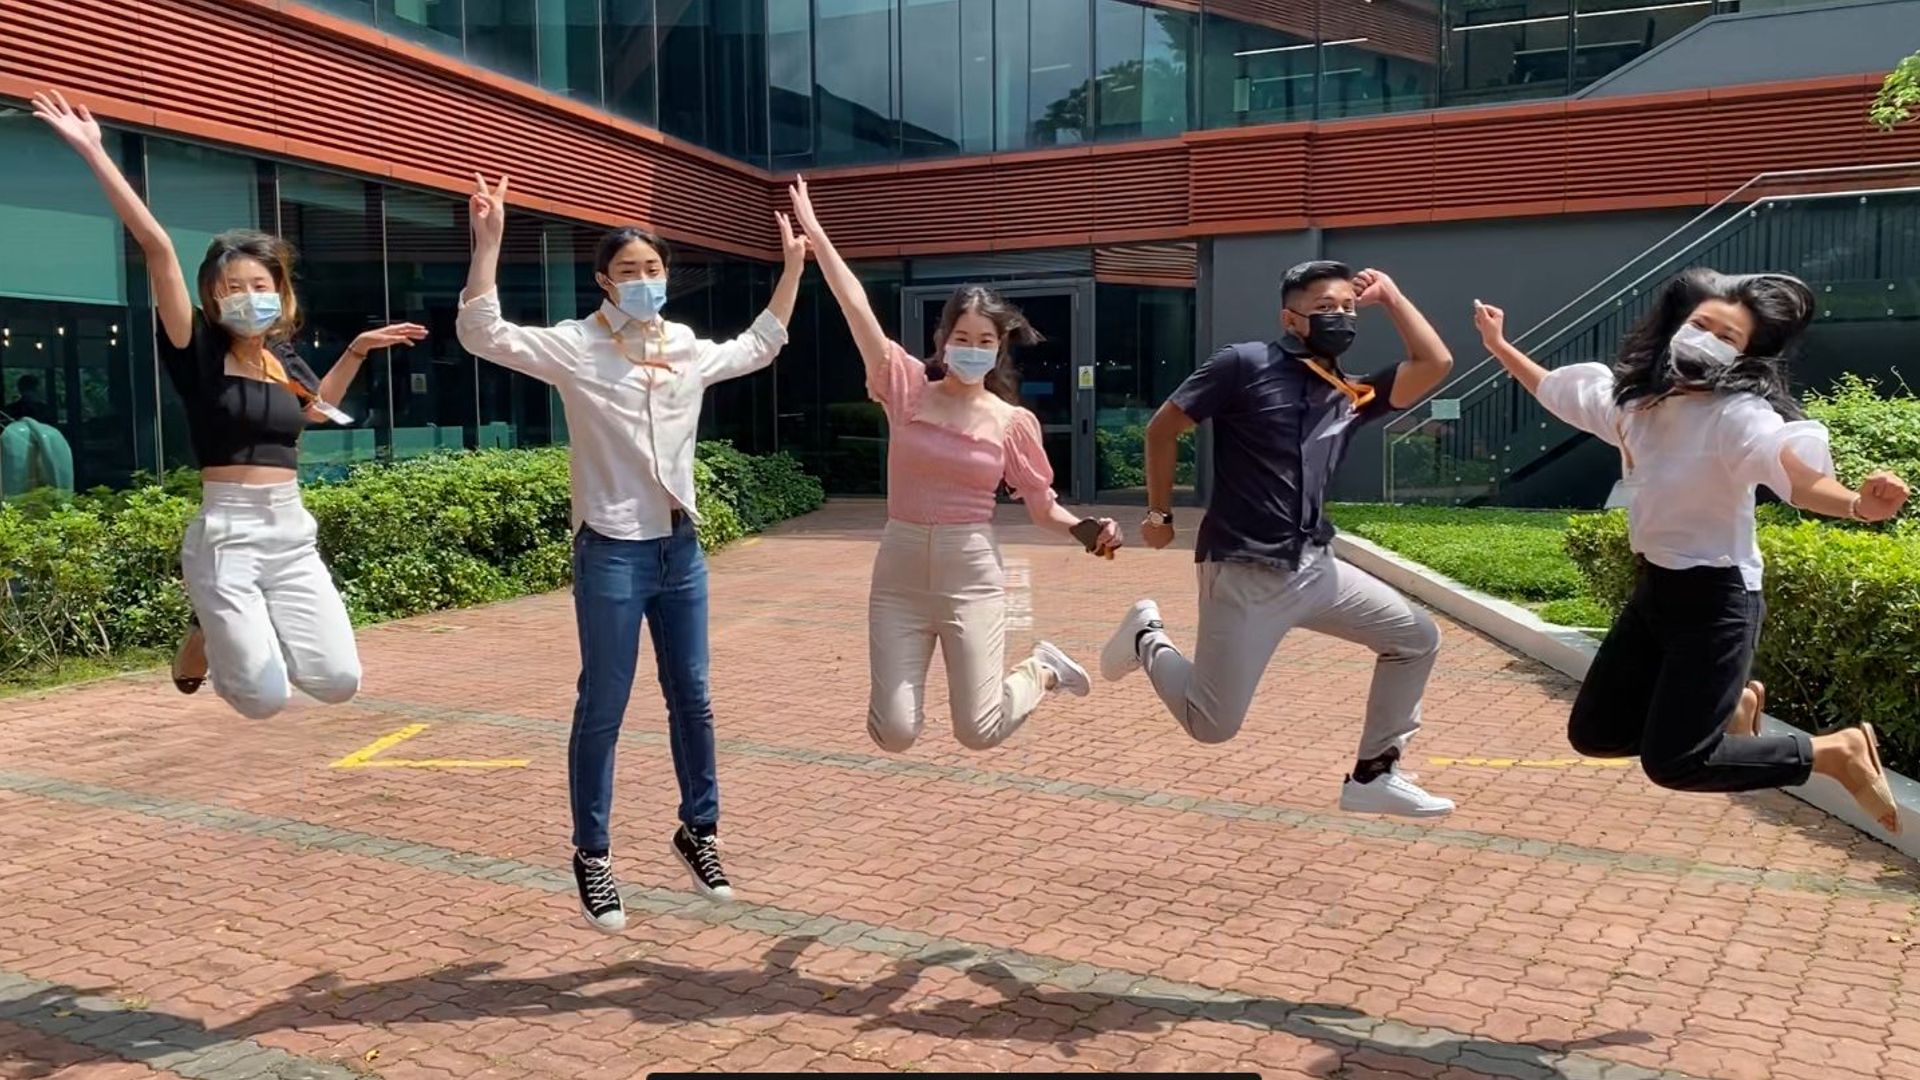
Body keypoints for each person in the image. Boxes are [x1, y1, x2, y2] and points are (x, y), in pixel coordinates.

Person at [455, 173, 808, 932]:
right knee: (604, 706)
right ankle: (592, 854)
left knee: (695, 698)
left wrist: (791, 274)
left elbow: (757, 347)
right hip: (611, 550)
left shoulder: (681, 347)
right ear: (602, 281)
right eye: (629, 271)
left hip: (679, 549)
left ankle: (699, 832)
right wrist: (488, 245)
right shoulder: (578, 347)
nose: (644, 280)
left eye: (654, 269)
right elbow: (485, 334)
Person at [1474, 270, 1909, 832]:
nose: (1705, 338)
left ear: (1747, 356)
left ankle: (1833, 752)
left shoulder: (1738, 416)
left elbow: (1795, 477)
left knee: (1678, 762)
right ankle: (1730, 709)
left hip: (1717, 602)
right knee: (1596, 734)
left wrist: (1859, 505)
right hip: (1655, 591)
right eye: (1701, 324)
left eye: (1727, 337)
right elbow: (1558, 391)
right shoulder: (1639, 404)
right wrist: (1500, 347)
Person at [34, 89, 422, 716]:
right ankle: (208, 633)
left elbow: (317, 413)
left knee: (339, 682)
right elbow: (157, 246)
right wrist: (95, 152)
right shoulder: (196, 349)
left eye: (260, 284)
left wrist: (354, 351)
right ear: (212, 297)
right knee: (263, 700)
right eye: (231, 286)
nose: (247, 295)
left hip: (292, 530)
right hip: (228, 534)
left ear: (280, 291)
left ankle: (214, 627)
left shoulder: (284, 358)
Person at [1099, 260, 1458, 817]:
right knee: (1211, 726)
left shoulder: (1350, 392)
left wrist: (1390, 297)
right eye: (1324, 309)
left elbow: (1434, 362)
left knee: (1415, 637)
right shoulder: (1244, 364)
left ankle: (1373, 775)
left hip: (1318, 567)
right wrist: (1159, 513)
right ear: (1291, 319)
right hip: (1244, 569)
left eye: (1346, 307)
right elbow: (1163, 428)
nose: (1339, 317)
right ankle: (1147, 637)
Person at [786, 178, 1120, 757]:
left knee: (978, 729)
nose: (971, 347)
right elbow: (857, 309)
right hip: (900, 572)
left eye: (984, 339)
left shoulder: (1011, 423)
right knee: (894, 732)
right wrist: (819, 238)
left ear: (998, 347)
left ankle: (1041, 671)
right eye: (960, 336)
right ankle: (916, 703)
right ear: (942, 340)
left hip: (972, 577)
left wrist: (1085, 530)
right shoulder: (906, 387)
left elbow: (1043, 509)